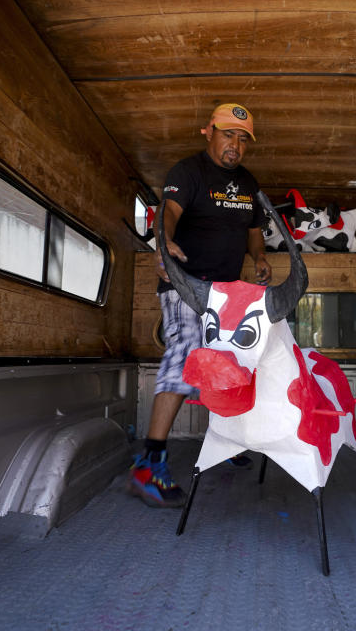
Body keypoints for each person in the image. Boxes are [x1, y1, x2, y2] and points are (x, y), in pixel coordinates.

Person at [128, 103, 272, 507]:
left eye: (243, 139)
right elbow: (168, 215)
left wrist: (259, 258)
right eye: (228, 134)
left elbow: (254, 230)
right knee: (186, 353)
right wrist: (164, 243)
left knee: (228, 360)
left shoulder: (247, 181)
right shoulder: (187, 172)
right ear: (207, 131)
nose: (235, 145)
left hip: (224, 293)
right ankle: (148, 466)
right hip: (185, 285)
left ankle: (225, 441)